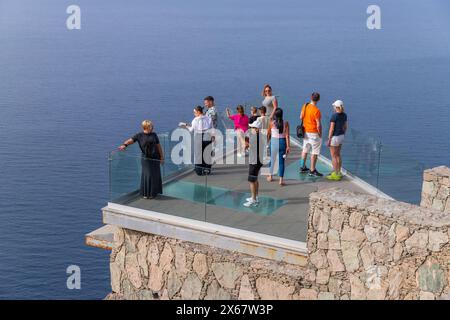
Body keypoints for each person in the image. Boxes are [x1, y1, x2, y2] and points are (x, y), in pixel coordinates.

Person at [118, 120, 164, 199]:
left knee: (155, 175)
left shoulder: (154, 135)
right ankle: (146, 193)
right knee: (147, 175)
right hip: (146, 159)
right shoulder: (139, 135)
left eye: (152, 126)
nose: (152, 127)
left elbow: (159, 146)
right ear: (146, 127)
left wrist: (162, 157)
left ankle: (154, 193)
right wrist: (124, 145)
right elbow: (130, 140)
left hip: (155, 158)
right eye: (150, 126)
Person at [180, 106, 213, 175]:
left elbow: (191, 129)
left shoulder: (195, 120)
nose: (194, 114)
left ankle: (199, 171)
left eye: (194, 112)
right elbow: (211, 128)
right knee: (207, 154)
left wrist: (185, 125)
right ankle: (207, 170)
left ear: (198, 112)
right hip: (207, 136)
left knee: (199, 154)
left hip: (199, 136)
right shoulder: (208, 118)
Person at [299, 92, 323, 177]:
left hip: (305, 132)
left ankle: (302, 167)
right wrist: (320, 134)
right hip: (314, 133)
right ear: (318, 99)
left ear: (311, 98)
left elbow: (301, 117)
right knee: (314, 151)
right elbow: (318, 124)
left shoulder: (305, 105)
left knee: (305, 149)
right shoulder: (317, 111)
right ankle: (312, 170)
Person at [267, 108, 291, 186]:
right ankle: (281, 180)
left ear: (275, 115)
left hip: (273, 142)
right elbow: (287, 136)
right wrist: (288, 146)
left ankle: (270, 176)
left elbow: (268, 134)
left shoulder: (271, 123)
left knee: (272, 160)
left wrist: (267, 143)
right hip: (282, 142)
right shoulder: (286, 123)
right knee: (281, 162)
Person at [244, 118, 264, 207]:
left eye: (252, 128)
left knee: (251, 180)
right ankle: (256, 196)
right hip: (258, 160)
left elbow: (248, 146)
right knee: (255, 179)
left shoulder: (255, 137)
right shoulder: (260, 135)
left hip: (254, 161)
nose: (250, 129)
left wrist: (245, 144)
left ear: (256, 129)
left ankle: (253, 199)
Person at [326, 100, 348, 181]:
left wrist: (329, 139)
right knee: (338, 155)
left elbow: (331, 129)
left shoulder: (334, 116)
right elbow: (345, 126)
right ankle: (339, 172)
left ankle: (335, 174)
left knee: (333, 156)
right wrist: (343, 134)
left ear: (336, 107)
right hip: (341, 136)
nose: (333, 107)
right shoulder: (344, 115)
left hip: (334, 137)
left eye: (334, 106)